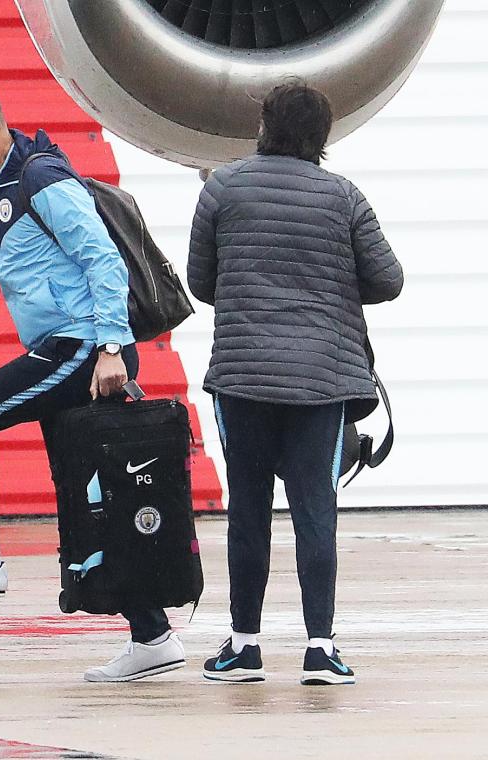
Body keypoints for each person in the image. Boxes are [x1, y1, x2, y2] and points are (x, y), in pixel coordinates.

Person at [0, 79, 184, 683]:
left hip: (83, 345)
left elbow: (101, 258)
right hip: (64, 346)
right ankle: (151, 634)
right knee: (83, 490)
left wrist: (109, 348)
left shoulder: (42, 179)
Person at [187, 82, 403, 685]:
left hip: (242, 377)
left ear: (264, 125)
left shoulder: (222, 189)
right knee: (315, 509)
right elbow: (389, 279)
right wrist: (328, 282)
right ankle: (320, 648)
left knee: (248, 509)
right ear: (323, 136)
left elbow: (200, 281)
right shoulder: (344, 197)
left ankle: (243, 647)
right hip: (321, 381)